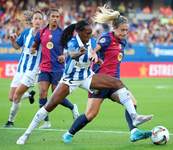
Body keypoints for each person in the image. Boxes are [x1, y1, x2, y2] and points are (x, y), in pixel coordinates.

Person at [16, 19, 153, 145]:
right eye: (87, 33)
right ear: (80, 32)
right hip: (70, 80)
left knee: (118, 83)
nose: (89, 36)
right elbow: (71, 54)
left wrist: (97, 60)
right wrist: (79, 53)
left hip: (88, 77)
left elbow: (95, 54)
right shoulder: (73, 41)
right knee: (50, 105)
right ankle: (26, 134)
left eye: (90, 33)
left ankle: (134, 118)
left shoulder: (93, 41)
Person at [62, 5, 153, 143]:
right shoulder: (107, 38)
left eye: (126, 30)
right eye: (122, 30)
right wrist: (93, 54)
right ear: (114, 28)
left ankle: (134, 132)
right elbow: (96, 48)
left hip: (115, 82)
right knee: (90, 115)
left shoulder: (123, 41)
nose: (124, 33)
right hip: (101, 81)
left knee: (132, 102)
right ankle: (68, 134)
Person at [30, 8, 80, 129]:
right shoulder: (41, 32)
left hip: (57, 68)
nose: (55, 18)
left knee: (56, 96)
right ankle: (46, 122)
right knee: (42, 93)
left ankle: (73, 107)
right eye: (53, 16)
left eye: (57, 17)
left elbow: (70, 49)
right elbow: (34, 45)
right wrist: (32, 49)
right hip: (44, 67)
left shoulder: (63, 34)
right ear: (48, 18)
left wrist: (64, 56)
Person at [3, 8, 43, 127]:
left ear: (42, 22)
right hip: (20, 69)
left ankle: (10, 121)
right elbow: (16, 46)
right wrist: (13, 40)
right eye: (35, 18)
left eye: (40, 19)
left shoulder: (44, 35)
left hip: (32, 71)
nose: (37, 21)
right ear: (32, 20)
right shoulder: (26, 32)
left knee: (16, 96)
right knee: (12, 97)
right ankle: (30, 95)